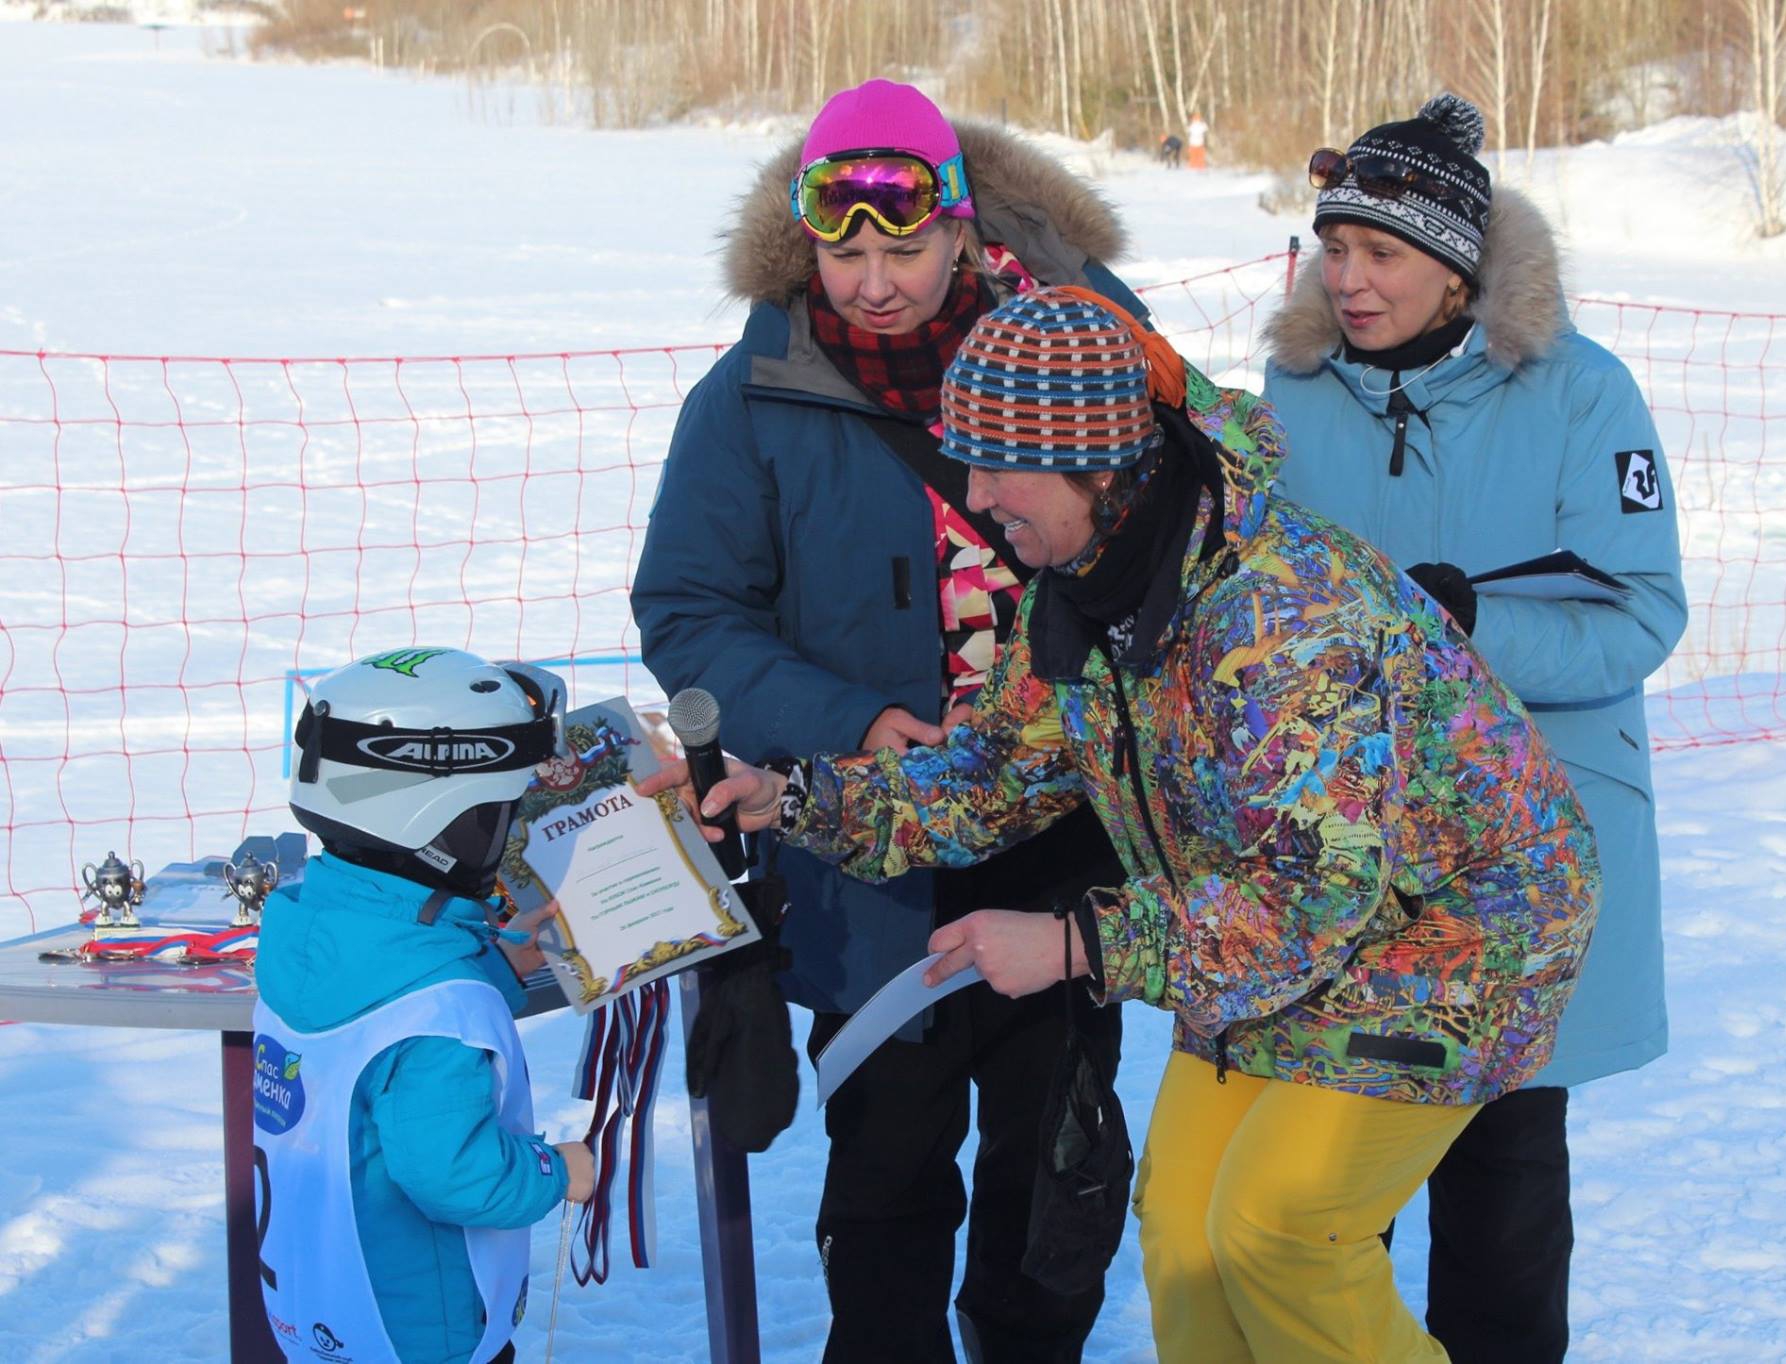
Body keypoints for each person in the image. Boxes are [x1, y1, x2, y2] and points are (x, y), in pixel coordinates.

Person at [651, 287, 1603, 1364]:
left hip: (1449, 937)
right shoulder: (1083, 582)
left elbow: (1314, 893)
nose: (973, 495)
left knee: (1276, 1229)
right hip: (1258, 926)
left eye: (999, 465)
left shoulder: (1275, 613)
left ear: (1096, 463)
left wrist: (1073, 941)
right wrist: (798, 798)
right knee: (1185, 1230)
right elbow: (991, 776)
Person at [630, 79, 1137, 1363]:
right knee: (886, 1185)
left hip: (1067, 831)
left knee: (1050, 1180)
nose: (870, 279)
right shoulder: (754, 391)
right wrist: (849, 720)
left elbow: (1180, 540)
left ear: (961, 228)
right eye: (841, 249)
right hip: (871, 845)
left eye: (902, 245)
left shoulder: (1084, 342)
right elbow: (690, 609)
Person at [1261, 93, 1688, 1363]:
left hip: (1522, 857)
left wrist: (1471, 625)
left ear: (1453, 266)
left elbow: (1641, 616)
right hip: (1343, 854)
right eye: (1331, 249)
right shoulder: (1282, 401)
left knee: (1502, 1188)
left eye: (1379, 255)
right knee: (1327, 1192)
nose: (1346, 280)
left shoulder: (1575, 391)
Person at [254, 647, 596, 1364]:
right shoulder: (440, 1009)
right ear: (445, 822)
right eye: (502, 810)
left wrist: (490, 964)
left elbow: (379, 1023)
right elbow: (451, 1175)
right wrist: (558, 1172)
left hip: (320, 1293)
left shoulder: (301, 926)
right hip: (418, 1325)